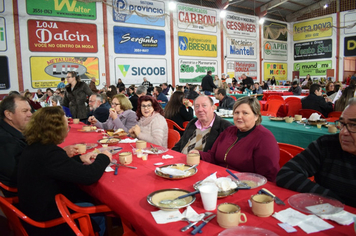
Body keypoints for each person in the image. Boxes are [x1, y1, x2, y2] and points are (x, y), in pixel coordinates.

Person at [18, 107, 112, 236]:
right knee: (98, 215)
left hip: (33, 211)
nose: (67, 130)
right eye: (66, 126)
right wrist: (104, 157)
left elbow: (60, 168)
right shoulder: (49, 153)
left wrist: (79, 159)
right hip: (49, 221)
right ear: (56, 130)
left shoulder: (35, 148)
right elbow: (89, 176)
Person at [276, 98, 356, 207]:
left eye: (353, 125)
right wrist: (329, 197)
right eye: (342, 124)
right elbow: (286, 174)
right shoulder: (327, 145)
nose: (344, 132)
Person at [189, 97, 279, 182]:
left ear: (256, 116)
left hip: (246, 184)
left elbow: (267, 177)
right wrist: (199, 154)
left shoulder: (265, 139)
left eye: (245, 113)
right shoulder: (228, 131)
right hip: (220, 180)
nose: (239, 116)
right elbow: (212, 156)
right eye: (236, 112)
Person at [0, 95, 32, 197]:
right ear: (9, 114)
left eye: (30, 110)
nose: (30, 114)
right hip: (23, 196)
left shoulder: (11, 132)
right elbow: (26, 174)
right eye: (24, 111)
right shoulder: (7, 143)